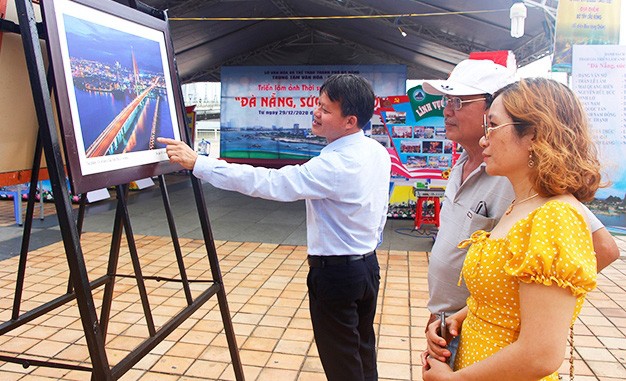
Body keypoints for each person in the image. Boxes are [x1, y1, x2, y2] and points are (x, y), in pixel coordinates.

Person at [158, 74, 391, 381]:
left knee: (342, 365)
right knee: (361, 352)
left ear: (350, 121)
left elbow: (268, 183)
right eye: (318, 104)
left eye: (325, 109)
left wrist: (199, 164)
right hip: (367, 269)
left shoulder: (335, 165)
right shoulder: (375, 151)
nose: (316, 113)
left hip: (337, 276)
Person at [420, 59, 619, 366]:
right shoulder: (512, 194)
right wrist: (471, 314)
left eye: (494, 124)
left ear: (534, 133)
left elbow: (540, 354)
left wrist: (522, 315)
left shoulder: (547, 208)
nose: (447, 110)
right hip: (460, 331)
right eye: (446, 101)